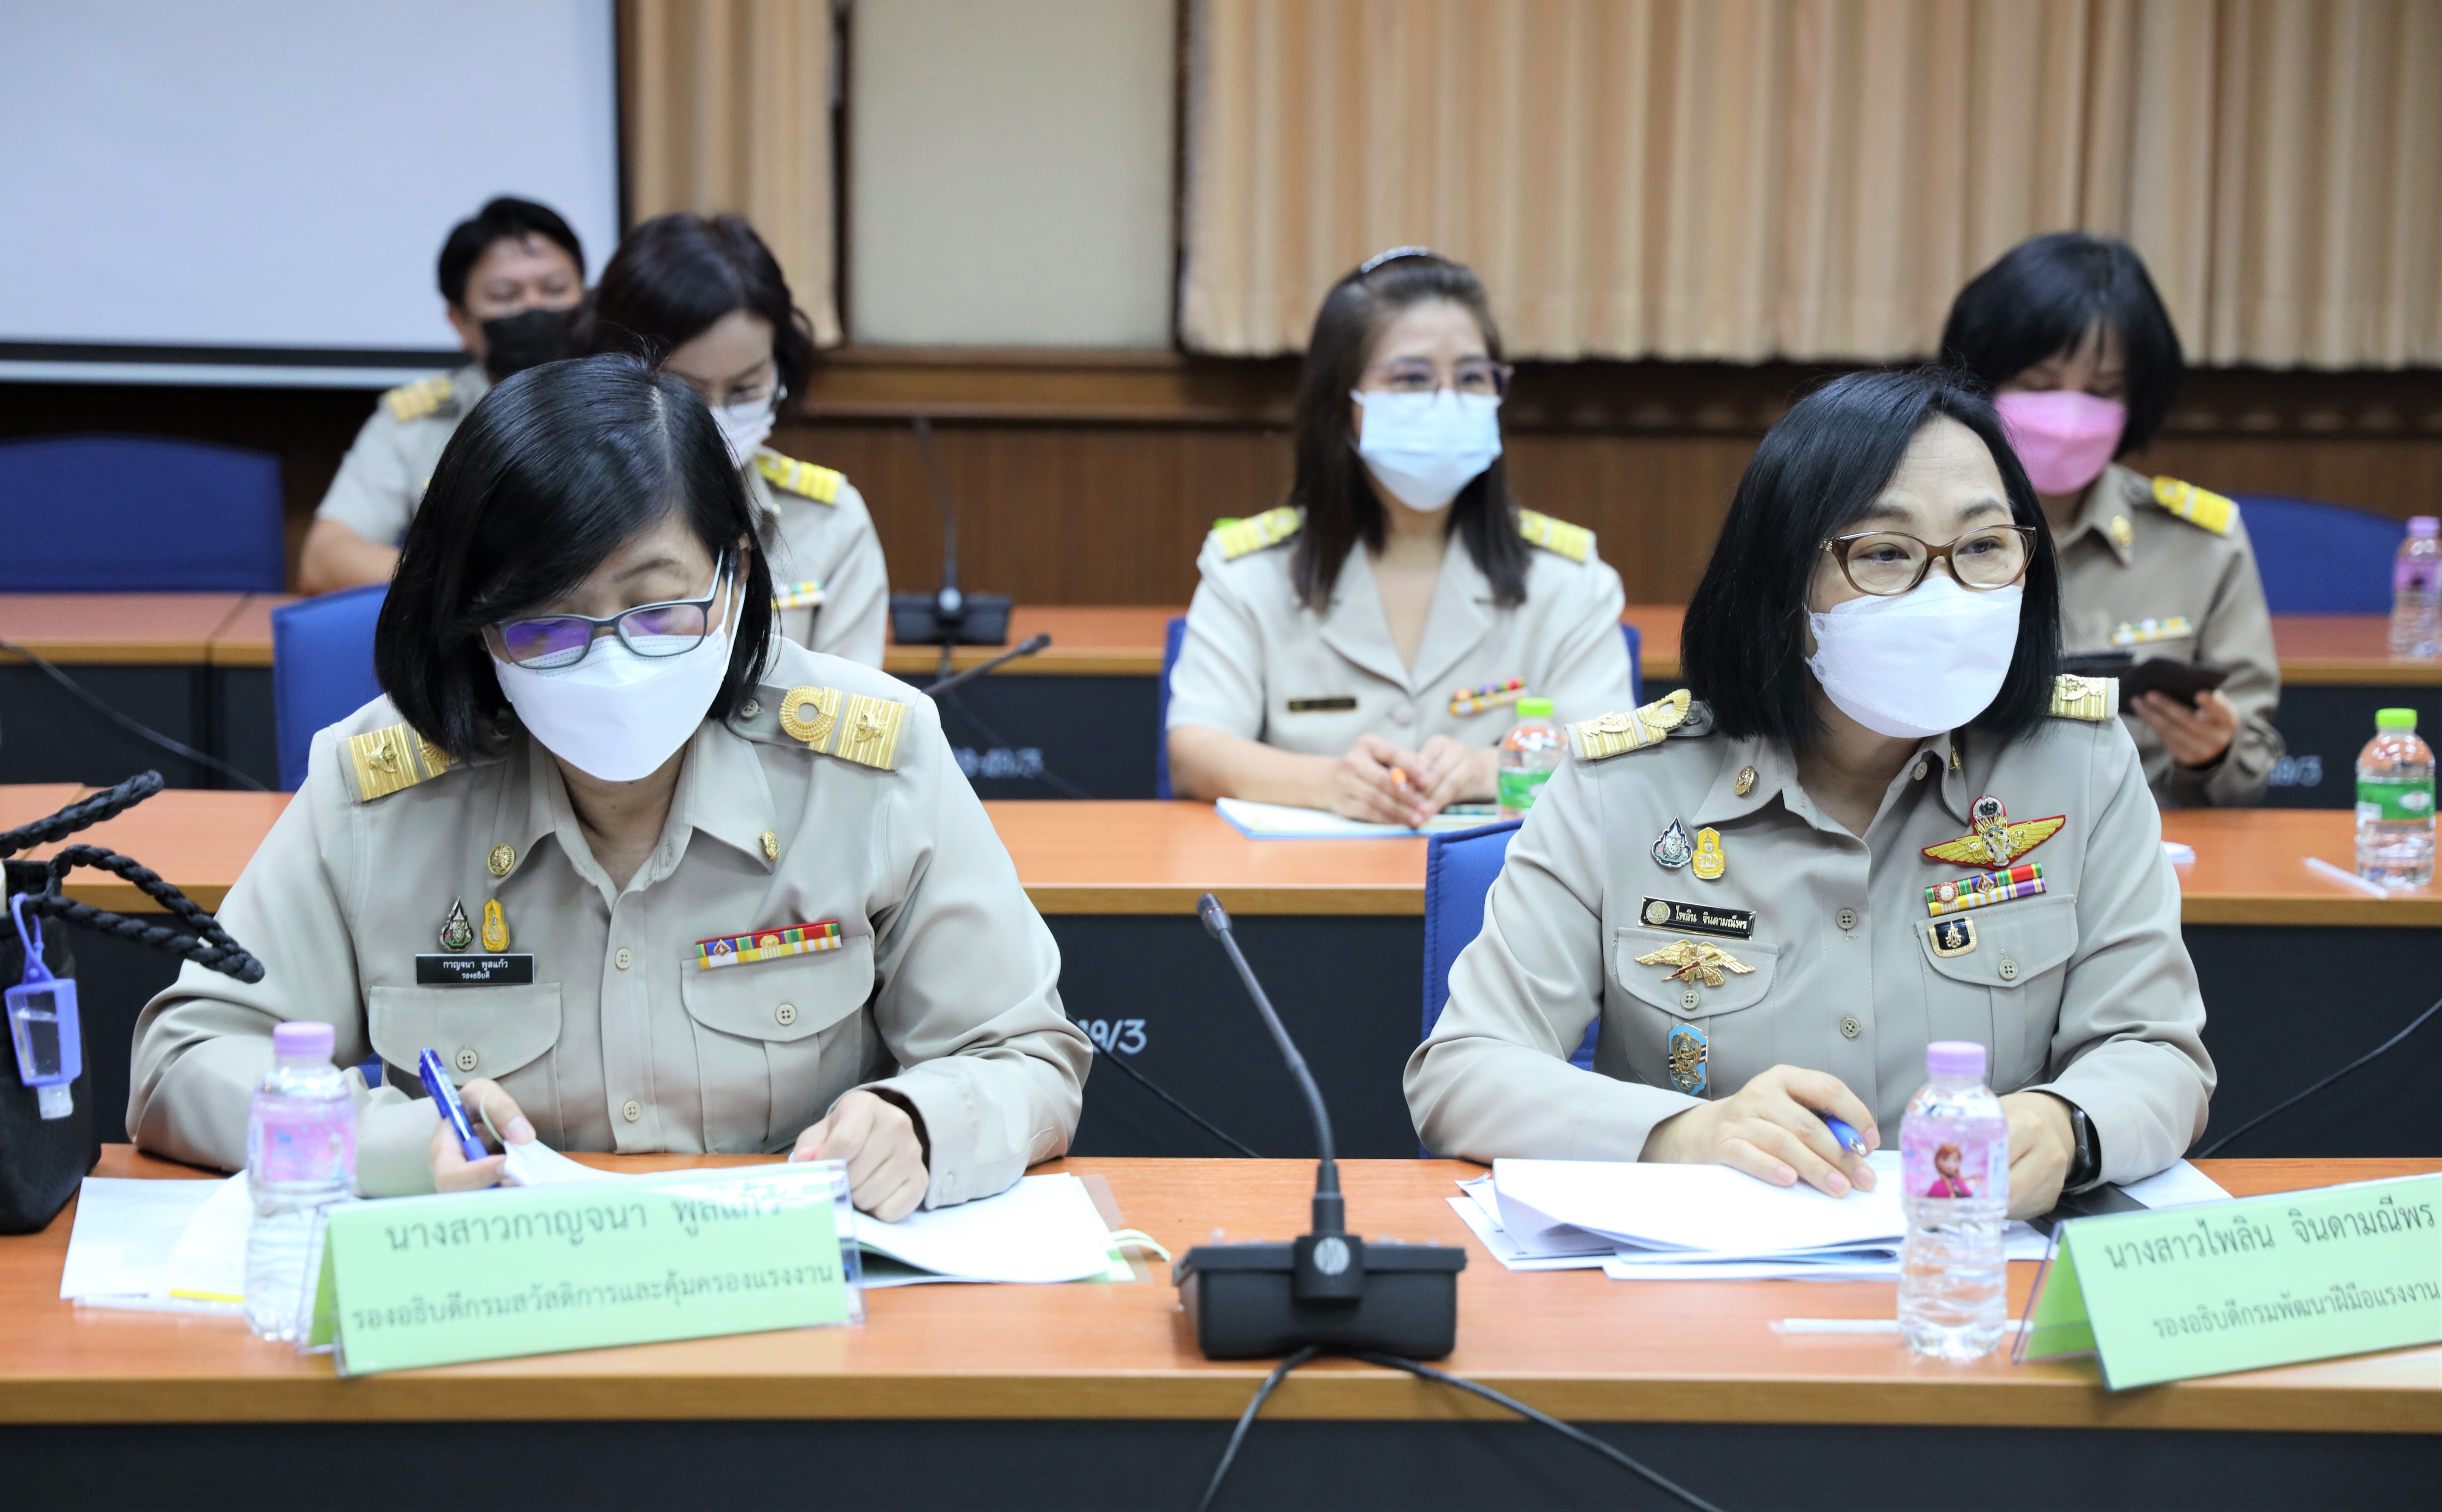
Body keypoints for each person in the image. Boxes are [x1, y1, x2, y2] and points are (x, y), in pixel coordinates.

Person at [129, 355, 1088, 1218]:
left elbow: (1023, 1053)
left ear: (734, 576)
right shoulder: (377, 788)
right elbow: (187, 1059)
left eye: (657, 606)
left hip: (788, 1293)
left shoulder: (870, 762)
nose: (611, 658)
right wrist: (385, 1143)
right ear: (479, 627)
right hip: (495, 1304)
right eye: (545, 623)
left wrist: (916, 1122)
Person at [1406, 368, 2214, 1221]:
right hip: (1707, 1276)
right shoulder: (1625, 786)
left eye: (1984, 547)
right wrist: (1685, 1132)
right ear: (1781, 581)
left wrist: (2067, 1124)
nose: (1945, 595)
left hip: (1976, 1262)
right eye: (1885, 553)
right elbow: (1464, 1070)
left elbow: (2156, 1051)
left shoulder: (2078, 764)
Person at [1165, 249, 1634, 827]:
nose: (1447, 402)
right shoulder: (1251, 572)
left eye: (1472, 378)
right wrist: (1329, 783)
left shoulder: (1566, 578)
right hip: (1304, 876)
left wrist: (1486, 769)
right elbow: (1195, 751)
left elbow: (1613, 754)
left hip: (1502, 879)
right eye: (1412, 379)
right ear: (1342, 403)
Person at [1942, 232, 2283, 808]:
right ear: (1980, 381)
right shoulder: (1913, 532)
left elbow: (2249, 764)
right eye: (2039, 386)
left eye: (2102, 392)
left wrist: (2212, 753)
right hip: (1958, 836)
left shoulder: (2201, 543)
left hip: (2143, 837)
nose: (2069, 417)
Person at [577, 213, 888, 665]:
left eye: (745, 389)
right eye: (686, 392)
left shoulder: (830, 521)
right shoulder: (560, 508)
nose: (718, 418)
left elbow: (847, 699)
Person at [299, 197, 586, 594]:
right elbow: (324, 559)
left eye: (555, 289)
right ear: (460, 321)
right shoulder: (419, 418)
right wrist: (472, 588)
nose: (534, 306)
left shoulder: (637, 403)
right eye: (505, 296)